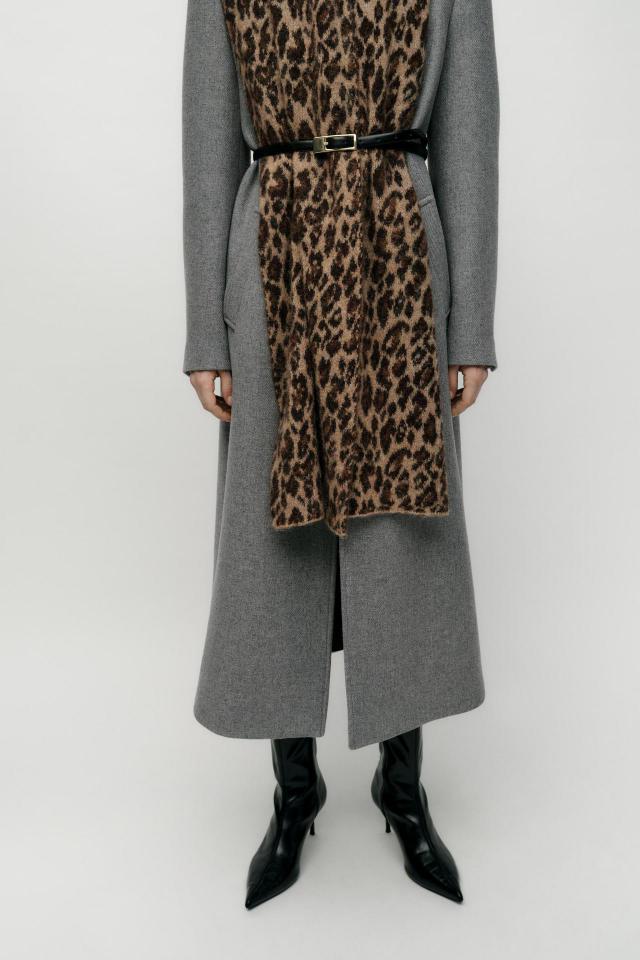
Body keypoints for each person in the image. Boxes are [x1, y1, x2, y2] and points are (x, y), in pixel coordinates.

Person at [182, 0, 499, 910]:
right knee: (273, 541)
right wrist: (205, 332)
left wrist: (471, 326)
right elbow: (209, 141)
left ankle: (403, 789)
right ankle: (295, 793)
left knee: (400, 537)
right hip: (270, 257)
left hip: (400, 252)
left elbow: (468, 132)